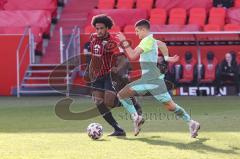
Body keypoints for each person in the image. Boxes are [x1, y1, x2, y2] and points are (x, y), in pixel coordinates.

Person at [116, 19, 200, 137]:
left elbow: (133, 55)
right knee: (122, 95)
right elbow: (162, 44)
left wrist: (124, 41)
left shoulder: (146, 41)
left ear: (144, 30)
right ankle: (137, 118)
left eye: (137, 31)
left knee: (170, 106)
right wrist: (166, 57)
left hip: (152, 80)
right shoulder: (152, 40)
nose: (136, 34)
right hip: (149, 79)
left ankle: (192, 123)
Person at [88, 14, 142, 136]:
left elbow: (124, 60)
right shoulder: (92, 38)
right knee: (98, 103)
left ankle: (131, 101)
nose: (99, 31)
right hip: (97, 76)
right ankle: (118, 129)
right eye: (97, 28)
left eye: (101, 28)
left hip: (109, 75)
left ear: (107, 28)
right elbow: (94, 56)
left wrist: (117, 69)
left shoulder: (113, 41)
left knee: (109, 102)